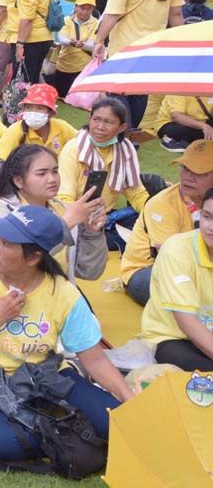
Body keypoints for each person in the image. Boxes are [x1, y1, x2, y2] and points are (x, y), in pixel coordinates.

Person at [0, 205, 132, 461]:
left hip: (45, 377)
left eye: (6, 244)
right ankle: (61, 427)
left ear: (33, 258)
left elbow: (95, 359)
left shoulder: (63, 292)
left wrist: (130, 401)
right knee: (8, 445)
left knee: (115, 423)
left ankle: (58, 425)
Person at [0, 144, 108, 281]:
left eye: (55, 171)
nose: (52, 179)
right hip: (6, 291)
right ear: (18, 181)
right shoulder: (0, 213)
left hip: (55, 290)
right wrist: (65, 225)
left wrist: (91, 233)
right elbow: (17, 266)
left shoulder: (62, 209)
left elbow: (89, 272)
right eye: (41, 173)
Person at [93, 0, 185, 129]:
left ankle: (123, 134)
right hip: (153, 48)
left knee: (117, 95)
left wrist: (99, 40)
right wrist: (183, 44)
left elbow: (112, 14)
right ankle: (130, 133)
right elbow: (176, 15)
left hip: (124, 48)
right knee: (139, 94)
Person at [123, 140, 213, 306]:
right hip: (148, 269)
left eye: (198, 172)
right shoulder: (162, 204)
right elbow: (171, 261)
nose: (188, 177)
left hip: (202, 268)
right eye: (185, 168)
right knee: (183, 285)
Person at [138, 188, 213, 371]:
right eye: (207, 216)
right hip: (172, 338)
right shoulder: (176, 250)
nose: (211, 227)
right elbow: (187, 322)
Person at [57, 98, 148, 214]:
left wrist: (151, 214)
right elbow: (64, 199)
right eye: (96, 119)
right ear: (89, 120)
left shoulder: (125, 150)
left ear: (122, 127)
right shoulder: (73, 150)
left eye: (108, 122)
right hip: (73, 214)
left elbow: (136, 194)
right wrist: (84, 219)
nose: (100, 127)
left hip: (105, 215)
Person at [0, 83, 77, 192]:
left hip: (54, 184)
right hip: (20, 187)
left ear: (50, 113)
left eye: (39, 108)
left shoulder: (61, 127)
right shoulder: (16, 130)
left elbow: (81, 142)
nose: (33, 113)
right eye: (29, 108)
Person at [12, 0, 56, 82]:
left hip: (31, 39)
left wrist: (20, 44)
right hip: (46, 37)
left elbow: (27, 19)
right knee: (34, 78)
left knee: (23, 81)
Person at [48, 0, 99, 97]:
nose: (85, 12)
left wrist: (82, 45)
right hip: (64, 65)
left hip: (83, 67)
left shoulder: (96, 23)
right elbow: (62, 38)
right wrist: (70, 42)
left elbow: (92, 44)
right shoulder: (66, 20)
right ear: (76, 7)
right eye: (82, 8)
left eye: (89, 9)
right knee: (62, 94)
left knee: (76, 95)